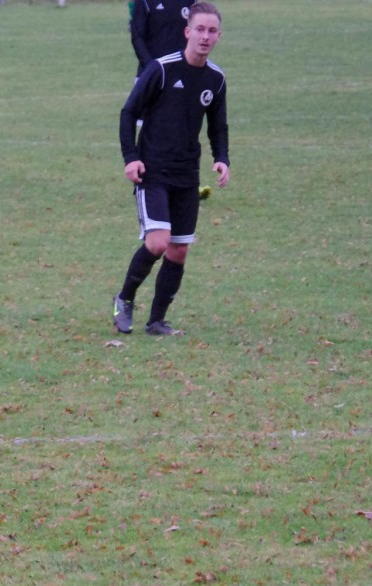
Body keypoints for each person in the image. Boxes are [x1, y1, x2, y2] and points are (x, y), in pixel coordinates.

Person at [112, 2, 229, 337]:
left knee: (179, 249)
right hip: (153, 170)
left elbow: (218, 127)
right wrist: (130, 157)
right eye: (200, 30)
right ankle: (124, 299)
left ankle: (156, 321)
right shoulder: (161, 69)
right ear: (187, 32)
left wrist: (222, 157)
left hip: (186, 173)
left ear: (219, 36)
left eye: (212, 31)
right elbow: (127, 113)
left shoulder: (216, 79)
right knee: (158, 243)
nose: (205, 37)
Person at [130, 0, 196, 77]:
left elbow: (196, 32)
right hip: (152, 74)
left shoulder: (191, 2)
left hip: (184, 72)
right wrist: (150, 66)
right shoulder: (145, 2)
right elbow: (137, 37)